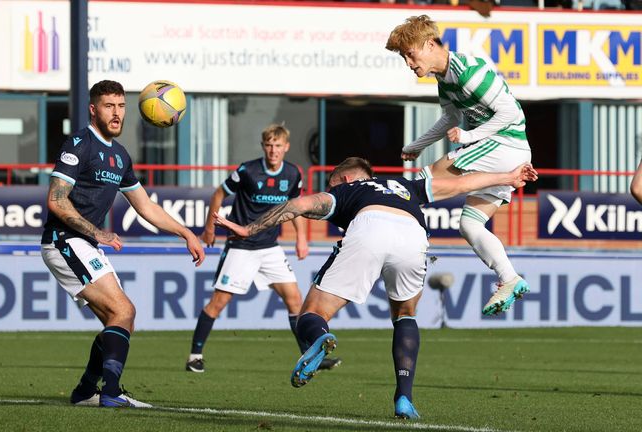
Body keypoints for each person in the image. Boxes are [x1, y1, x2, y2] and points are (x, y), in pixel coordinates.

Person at [214, 157, 538, 419]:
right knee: (405, 315)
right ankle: (404, 398)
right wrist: (508, 177)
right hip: (414, 235)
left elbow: (299, 204)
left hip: (370, 226)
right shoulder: (407, 185)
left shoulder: (345, 190)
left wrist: (250, 227)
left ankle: (318, 337)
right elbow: (461, 184)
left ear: (343, 179)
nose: (329, 188)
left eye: (331, 183)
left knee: (312, 312)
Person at [40, 80, 205, 408]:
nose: (116, 113)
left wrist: (185, 233)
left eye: (121, 106)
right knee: (124, 310)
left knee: (121, 319)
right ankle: (111, 391)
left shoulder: (119, 155)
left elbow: (146, 207)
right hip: (65, 241)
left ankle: (87, 391)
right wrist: (97, 232)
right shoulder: (79, 144)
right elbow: (56, 200)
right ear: (93, 109)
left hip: (83, 243)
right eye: (108, 106)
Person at [386, 15, 533, 316]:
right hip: (506, 151)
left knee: (427, 179)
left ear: (429, 45)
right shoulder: (445, 78)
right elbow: (450, 119)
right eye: (403, 57)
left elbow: (511, 113)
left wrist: (470, 136)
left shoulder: (469, 72)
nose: (408, 63)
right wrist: (418, 145)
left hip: (505, 143)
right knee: (469, 224)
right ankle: (509, 278)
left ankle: (397, 239)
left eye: (409, 54)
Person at [186, 123, 341, 373]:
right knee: (218, 303)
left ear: (286, 147)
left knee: (295, 300)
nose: (273, 150)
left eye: (278, 145)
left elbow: (296, 207)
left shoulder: (293, 174)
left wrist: (302, 237)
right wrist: (209, 228)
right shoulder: (247, 171)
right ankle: (194, 356)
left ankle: (309, 357)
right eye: (269, 145)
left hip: (270, 247)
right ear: (263, 146)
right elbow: (218, 194)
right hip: (241, 247)